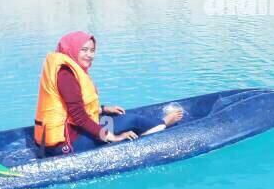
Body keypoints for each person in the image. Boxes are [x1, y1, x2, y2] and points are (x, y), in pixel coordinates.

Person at [33, 31, 183, 157]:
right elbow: (79, 117)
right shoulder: (66, 75)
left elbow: (70, 108)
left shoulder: (65, 70)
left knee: (115, 117)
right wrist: (114, 137)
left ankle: (151, 127)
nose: (89, 55)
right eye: (84, 50)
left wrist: (103, 109)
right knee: (132, 119)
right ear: (72, 49)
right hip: (66, 146)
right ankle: (163, 124)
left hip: (56, 140)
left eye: (92, 50)